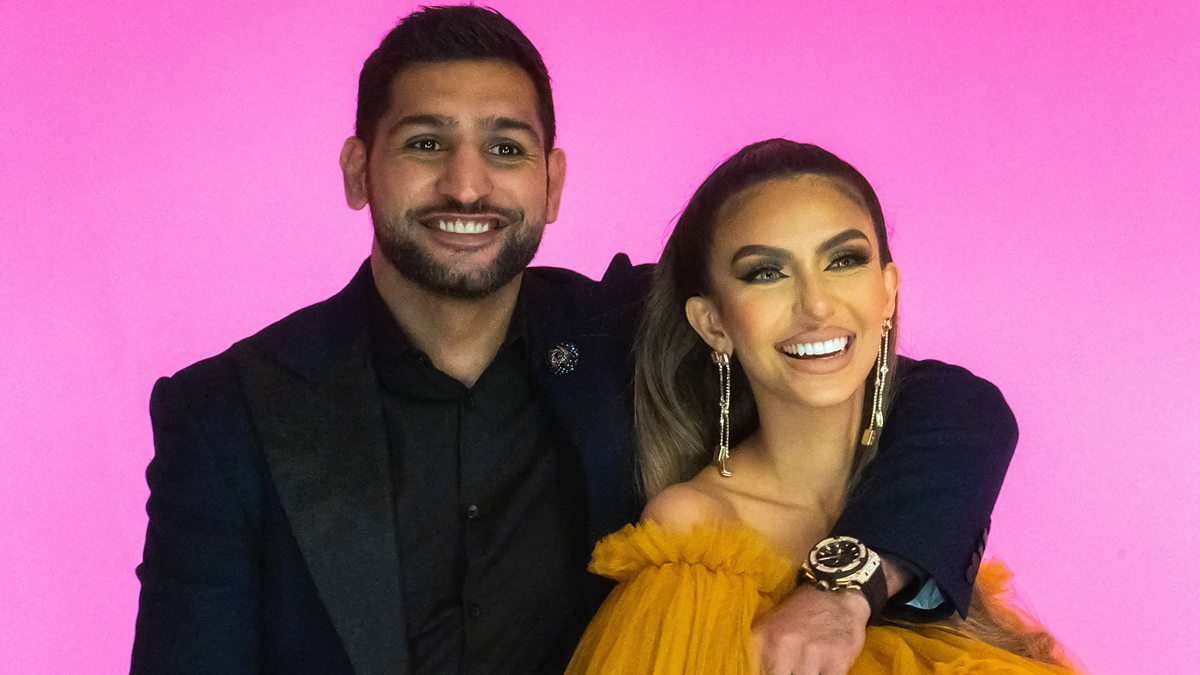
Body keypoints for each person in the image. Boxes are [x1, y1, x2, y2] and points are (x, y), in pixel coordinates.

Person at [132, 7, 1021, 675]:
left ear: (552, 182)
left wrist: (844, 588)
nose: (467, 184)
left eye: (506, 149)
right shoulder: (227, 412)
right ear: (360, 170)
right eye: (426, 142)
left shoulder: (620, 335)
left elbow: (949, 404)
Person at [566, 139, 1075, 674]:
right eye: (767, 272)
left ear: (887, 292)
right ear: (712, 324)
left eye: (843, 260)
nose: (815, 305)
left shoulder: (934, 515)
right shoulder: (696, 532)